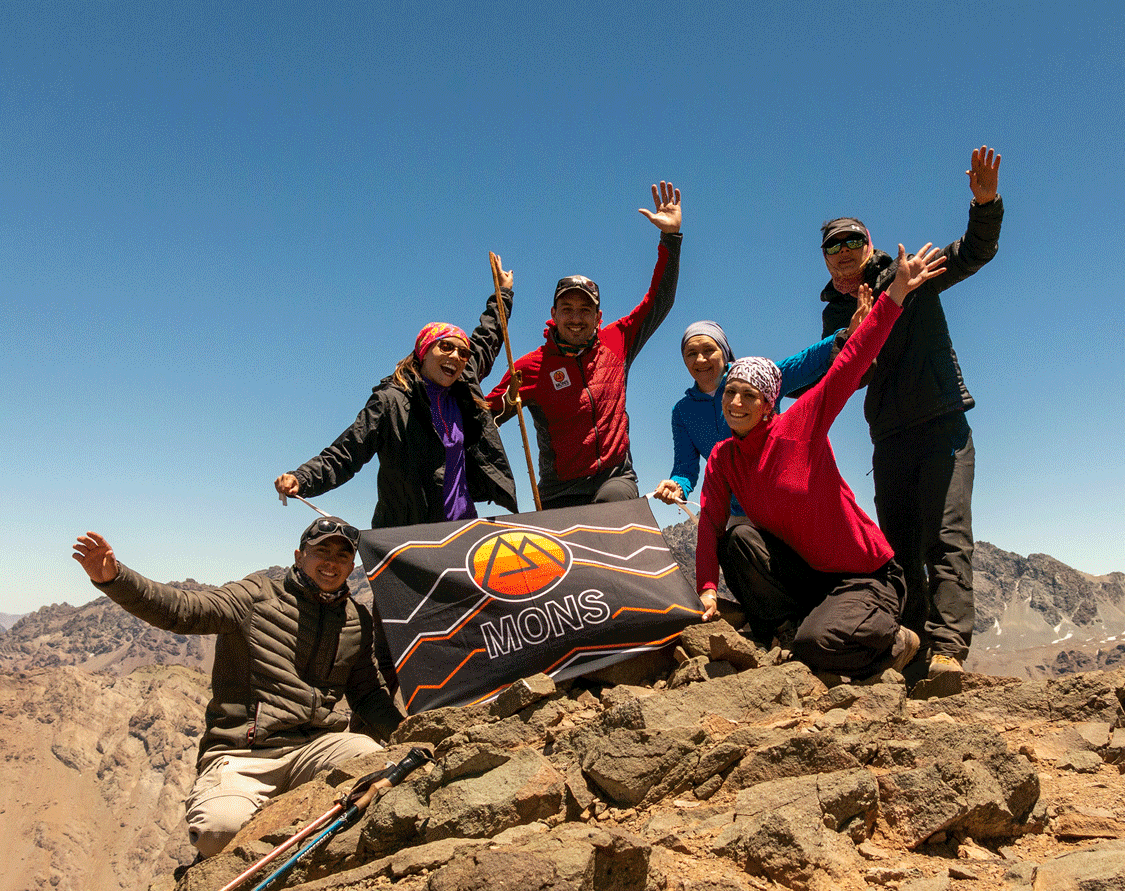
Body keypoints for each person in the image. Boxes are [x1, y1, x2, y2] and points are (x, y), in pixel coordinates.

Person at [71, 518, 404, 858]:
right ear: (299, 556)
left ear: (351, 566)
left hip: (316, 748)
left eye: (342, 556)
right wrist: (115, 578)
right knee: (219, 833)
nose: (331, 563)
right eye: (322, 552)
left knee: (373, 762)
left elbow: (369, 695)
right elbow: (183, 610)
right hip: (244, 755)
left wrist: (411, 734)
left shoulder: (355, 618)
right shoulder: (254, 597)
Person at [695, 244, 945, 679]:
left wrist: (897, 293)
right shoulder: (724, 456)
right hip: (812, 577)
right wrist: (707, 588)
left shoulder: (801, 424)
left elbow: (850, 364)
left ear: (769, 404)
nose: (736, 402)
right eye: (730, 393)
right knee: (737, 541)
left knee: (817, 647)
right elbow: (710, 523)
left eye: (748, 395)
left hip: (865, 575)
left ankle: (894, 641)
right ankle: (787, 628)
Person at [817, 146, 1003, 678]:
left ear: (868, 243)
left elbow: (972, 254)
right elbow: (845, 382)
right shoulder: (834, 314)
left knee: (947, 536)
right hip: (891, 439)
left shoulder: (910, 273)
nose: (845, 252)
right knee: (898, 550)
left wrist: (985, 203)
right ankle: (913, 652)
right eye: (834, 248)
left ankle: (947, 652)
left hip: (943, 424)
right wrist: (854, 337)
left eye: (853, 241)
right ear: (827, 262)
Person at [274, 259, 518, 529]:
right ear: (424, 352)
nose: (456, 356)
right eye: (446, 347)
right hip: (407, 535)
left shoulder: (464, 386)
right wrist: (303, 478)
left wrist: (503, 295)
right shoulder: (390, 401)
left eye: (463, 352)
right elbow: (347, 452)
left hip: (461, 529)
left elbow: (489, 337)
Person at [487, 182, 682, 509]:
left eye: (585, 310)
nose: (576, 318)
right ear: (553, 314)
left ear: (598, 316)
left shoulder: (617, 340)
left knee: (612, 507)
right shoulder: (529, 368)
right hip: (557, 492)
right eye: (567, 309)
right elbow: (486, 417)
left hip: (614, 479)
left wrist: (671, 239)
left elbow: (658, 301)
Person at [652, 312, 870, 600]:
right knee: (739, 558)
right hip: (738, 511)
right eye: (691, 353)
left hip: (780, 502)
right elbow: (685, 466)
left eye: (708, 350)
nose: (700, 360)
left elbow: (804, 361)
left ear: (724, 351)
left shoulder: (755, 378)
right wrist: (677, 486)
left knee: (804, 569)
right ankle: (778, 624)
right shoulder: (683, 412)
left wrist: (845, 334)